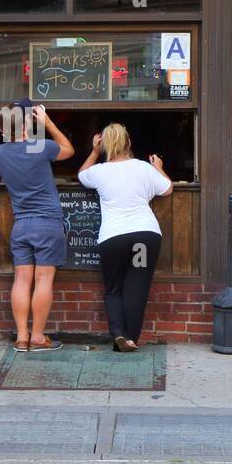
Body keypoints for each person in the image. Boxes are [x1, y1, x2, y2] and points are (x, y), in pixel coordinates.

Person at [78, 123, 172, 352]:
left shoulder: (99, 171)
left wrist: (93, 152)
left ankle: (119, 334)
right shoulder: (143, 168)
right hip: (144, 236)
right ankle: (130, 338)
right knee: (136, 287)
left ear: (105, 146)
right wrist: (158, 167)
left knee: (113, 289)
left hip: (113, 239)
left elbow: (81, 175)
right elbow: (167, 188)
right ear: (129, 143)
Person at [0, 99, 74, 352]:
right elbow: (68, 149)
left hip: (21, 225)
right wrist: (48, 122)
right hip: (47, 222)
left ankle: (22, 337)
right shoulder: (42, 147)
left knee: (22, 279)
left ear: (3, 130)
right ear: (28, 124)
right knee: (44, 279)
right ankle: (38, 337)